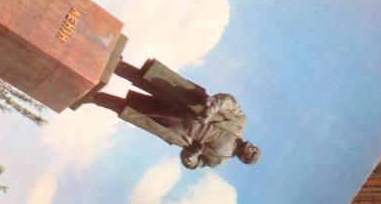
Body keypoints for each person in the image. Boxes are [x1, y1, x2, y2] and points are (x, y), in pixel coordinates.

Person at [87, 58, 260, 170]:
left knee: (129, 109)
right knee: (145, 80)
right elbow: (228, 101)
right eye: (255, 148)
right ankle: (115, 64)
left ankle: (94, 97)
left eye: (252, 154)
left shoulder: (217, 160)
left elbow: (192, 164)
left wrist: (192, 154)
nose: (252, 148)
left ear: (244, 160)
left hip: (175, 126)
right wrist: (212, 109)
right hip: (187, 103)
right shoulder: (240, 121)